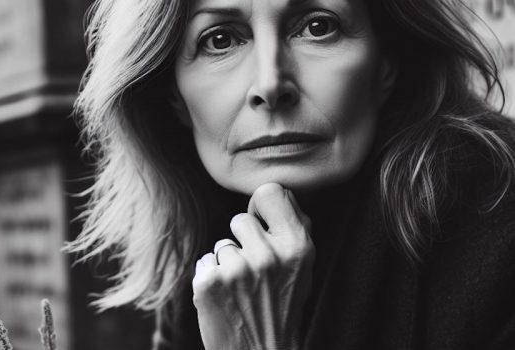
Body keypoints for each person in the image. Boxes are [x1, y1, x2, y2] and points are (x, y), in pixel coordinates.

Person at [66, 0, 515, 348]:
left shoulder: (496, 208)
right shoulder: (203, 242)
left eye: (318, 26)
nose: (269, 84)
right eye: (220, 39)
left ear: (387, 64)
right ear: (174, 98)